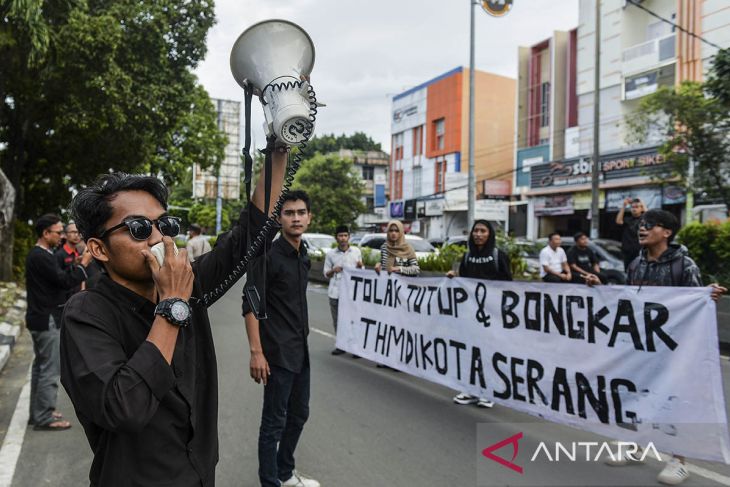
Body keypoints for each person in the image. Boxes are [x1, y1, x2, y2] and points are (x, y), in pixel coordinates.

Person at [60, 147, 288, 487]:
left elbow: (249, 236)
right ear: (99, 249)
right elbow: (125, 407)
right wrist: (173, 305)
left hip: (198, 474)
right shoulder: (86, 313)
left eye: (165, 225)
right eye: (138, 228)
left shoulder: (187, 284)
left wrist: (278, 146)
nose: (158, 238)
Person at [585, 209, 726, 485]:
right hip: (640, 345)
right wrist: (601, 288)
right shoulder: (636, 264)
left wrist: (708, 296)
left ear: (667, 232)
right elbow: (629, 301)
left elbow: (694, 306)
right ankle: (634, 445)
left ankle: (679, 460)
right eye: (640, 224)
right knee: (635, 395)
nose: (642, 229)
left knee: (672, 402)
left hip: (674, 350)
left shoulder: (684, 266)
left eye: (649, 225)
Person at [243, 190, 319, 487]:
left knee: (299, 414)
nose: (296, 218)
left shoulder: (303, 255)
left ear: (309, 217)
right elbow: (250, 304)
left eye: (301, 212)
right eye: (289, 213)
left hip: (301, 350)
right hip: (277, 353)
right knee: (273, 423)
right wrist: (256, 352)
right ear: (279, 218)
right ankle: (270, 482)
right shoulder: (269, 256)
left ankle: (285, 474)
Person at [26, 214, 92, 431]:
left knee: (40, 367)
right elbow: (63, 281)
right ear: (46, 233)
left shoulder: (41, 255)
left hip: (39, 317)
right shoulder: (42, 257)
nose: (62, 236)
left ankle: (39, 411)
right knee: (50, 370)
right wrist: (83, 263)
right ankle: (44, 417)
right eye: (58, 232)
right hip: (46, 319)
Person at [447, 219, 512, 408]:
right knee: (471, 351)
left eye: (483, 231)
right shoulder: (467, 256)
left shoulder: (499, 256)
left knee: (490, 352)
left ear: (489, 234)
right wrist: (454, 278)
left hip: (493, 315)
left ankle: (490, 391)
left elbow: (508, 284)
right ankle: (470, 390)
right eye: (476, 231)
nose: (478, 234)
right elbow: (465, 282)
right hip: (471, 314)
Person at [323, 224, 363, 356]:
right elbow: (325, 274)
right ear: (336, 238)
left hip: (352, 293)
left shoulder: (356, 252)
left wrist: (360, 267)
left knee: (352, 320)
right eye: (340, 236)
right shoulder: (331, 254)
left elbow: (361, 272)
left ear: (349, 237)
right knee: (338, 320)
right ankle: (341, 345)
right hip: (335, 293)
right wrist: (333, 270)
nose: (343, 238)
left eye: (345, 235)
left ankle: (354, 347)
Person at [616, 197, 646, 271]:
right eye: (632, 207)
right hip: (627, 250)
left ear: (641, 209)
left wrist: (642, 202)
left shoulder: (644, 219)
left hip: (640, 250)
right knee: (628, 271)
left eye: (636, 207)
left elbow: (650, 216)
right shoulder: (628, 219)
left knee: (640, 270)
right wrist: (624, 205)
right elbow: (618, 221)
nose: (634, 209)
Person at [55, 222, 84, 298]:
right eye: (73, 232)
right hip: (64, 298)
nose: (76, 235)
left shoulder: (78, 253)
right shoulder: (59, 255)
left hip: (78, 296)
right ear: (65, 235)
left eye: (78, 232)